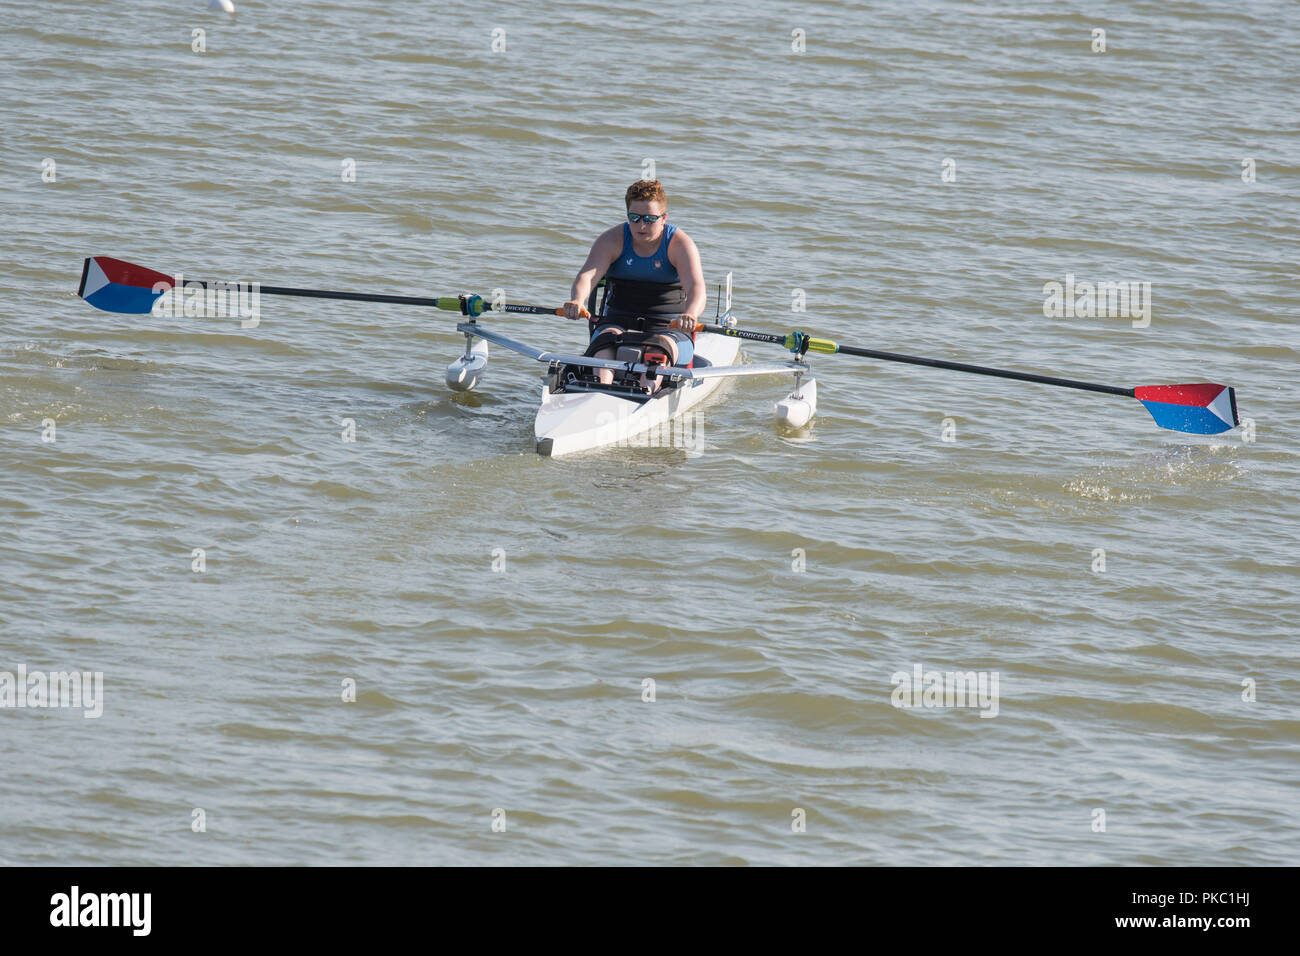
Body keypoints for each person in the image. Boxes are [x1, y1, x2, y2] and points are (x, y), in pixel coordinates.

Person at [561, 180, 706, 388]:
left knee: (656, 352)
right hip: (618, 321)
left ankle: (646, 392)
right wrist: (577, 300)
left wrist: (691, 314)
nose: (641, 225)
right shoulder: (612, 240)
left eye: (649, 218)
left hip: (669, 327)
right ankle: (600, 392)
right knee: (605, 348)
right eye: (634, 218)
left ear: (664, 218)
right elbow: (587, 276)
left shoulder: (679, 244)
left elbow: (696, 288)